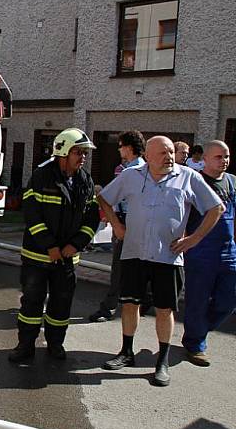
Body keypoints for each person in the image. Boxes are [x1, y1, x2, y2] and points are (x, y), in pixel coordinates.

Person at [99, 136, 223, 387]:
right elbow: (104, 197)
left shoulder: (188, 176)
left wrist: (194, 239)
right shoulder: (132, 175)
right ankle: (126, 352)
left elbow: (216, 208)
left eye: (170, 152)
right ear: (147, 155)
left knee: (165, 310)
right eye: (162, 153)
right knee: (129, 304)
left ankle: (162, 361)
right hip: (134, 252)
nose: (168, 157)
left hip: (168, 257)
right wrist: (117, 225)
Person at [9, 128, 100, 363]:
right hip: (37, 257)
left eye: (85, 153)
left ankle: (55, 344)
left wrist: (75, 245)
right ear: (63, 152)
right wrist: (49, 246)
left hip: (67, 259)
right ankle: (25, 345)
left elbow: (92, 218)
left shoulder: (85, 180)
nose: (83, 158)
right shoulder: (41, 177)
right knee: (31, 303)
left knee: (61, 305)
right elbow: (32, 215)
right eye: (78, 152)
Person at [182, 140, 236, 367]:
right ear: (204, 158)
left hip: (229, 251)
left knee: (229, 299)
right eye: (218, 157)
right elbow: (182, 215)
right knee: (198, 300)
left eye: (226, 157)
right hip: (201, 251)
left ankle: (200, 329)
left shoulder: (233, 182)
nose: (224, 161)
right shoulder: (194, 182)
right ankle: (195, 344)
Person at [89, 130, 147, 322]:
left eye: (121, 145)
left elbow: (115, 197)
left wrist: (114, 219)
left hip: (128, 223)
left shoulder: (133, 171)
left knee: (120, 269)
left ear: (129, 148)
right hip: (129, 220)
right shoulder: (131, 168)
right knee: (134, 266)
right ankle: (141, 302)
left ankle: (109, 307)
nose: (119, 149)